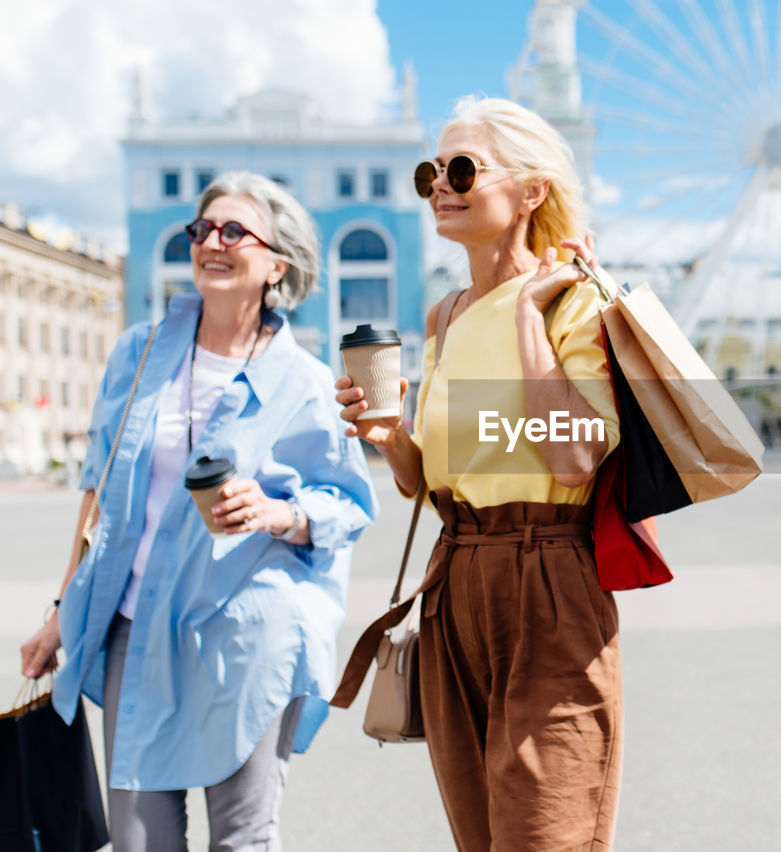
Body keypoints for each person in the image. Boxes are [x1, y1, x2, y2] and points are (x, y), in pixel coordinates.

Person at [20, 172, 378, 851]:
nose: (213, 242)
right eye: (202, 229)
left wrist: (277, 511)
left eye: (234, 230)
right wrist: (60, 616)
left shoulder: (304, 383)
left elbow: (350, 506)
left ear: (277, 264)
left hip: (244, 634)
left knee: (241, 839)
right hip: (134, 630)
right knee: (137, 839)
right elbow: (96, 492)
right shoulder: (140, 351)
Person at [335, 97, 622, 851]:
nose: (440, 184)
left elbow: (574, 456)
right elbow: (425, 479)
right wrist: (384, 431)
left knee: (547, 831)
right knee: (481, 836)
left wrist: (530, 317)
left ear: (533, 191)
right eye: (433, 170)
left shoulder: (574, 298)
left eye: (463, 168)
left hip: (549, 573)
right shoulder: (444, 317)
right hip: (455, 579)